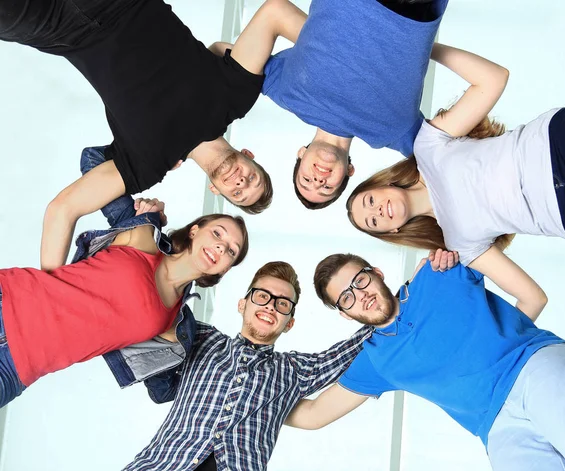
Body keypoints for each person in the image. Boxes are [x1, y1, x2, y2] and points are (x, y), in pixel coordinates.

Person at [0, 0, 308, 258]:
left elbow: (62, 210)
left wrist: (48, 294)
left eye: (238, 193)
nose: (240, 181)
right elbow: (275, 13)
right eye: (251, 177)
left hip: (56, 27)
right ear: (247, 154)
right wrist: (342, 63)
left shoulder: (147, 166)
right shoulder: (236, 96)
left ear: (216, 190)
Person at [347, 42, 565, 321]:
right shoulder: (459, 244)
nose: (377, 210)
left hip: (560, 143)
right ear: (391, 231)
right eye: (373, 221)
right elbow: (532, 298)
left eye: (369, 201)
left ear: (385, 184)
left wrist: (424, 46)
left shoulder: (427, 148)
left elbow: (493, 79)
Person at [285, 253, 565, 470]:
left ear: (376, 273)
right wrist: (246, 402)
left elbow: (478, 228)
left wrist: (501, 339)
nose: (359, 295)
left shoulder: (437, 272)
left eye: (359, 281)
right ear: (343, 313)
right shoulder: (376, 359)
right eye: (346, 297)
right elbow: (314, 415)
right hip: (498, 427)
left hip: (534, 367)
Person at [0, 146, 249, 409]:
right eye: (218, 234)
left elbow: (164, 392)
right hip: (9, 297)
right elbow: (94, 159)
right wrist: (164, 155)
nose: (221, 247)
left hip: (16, 369)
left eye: (231, 251)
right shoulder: (141, 231)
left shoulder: (176, 329)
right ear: (195, 231)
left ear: (224, 269)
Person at [124, 261, 372, 471]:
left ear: (289, 323)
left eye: (283, 304)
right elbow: (153, 306)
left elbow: (348, 351)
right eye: (263, 296)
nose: (271, 306)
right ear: (242, 304)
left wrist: (393, 308)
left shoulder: (293, 371)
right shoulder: (201, 338)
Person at [261, 0, 448, 209]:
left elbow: (226, 61)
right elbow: (446, 175)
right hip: (413, 9)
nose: (318, 181)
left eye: (306, 180)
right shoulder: (392, 135)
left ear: (301, 154)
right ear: (350, 171)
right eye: (327, 188)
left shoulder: (283, 92)